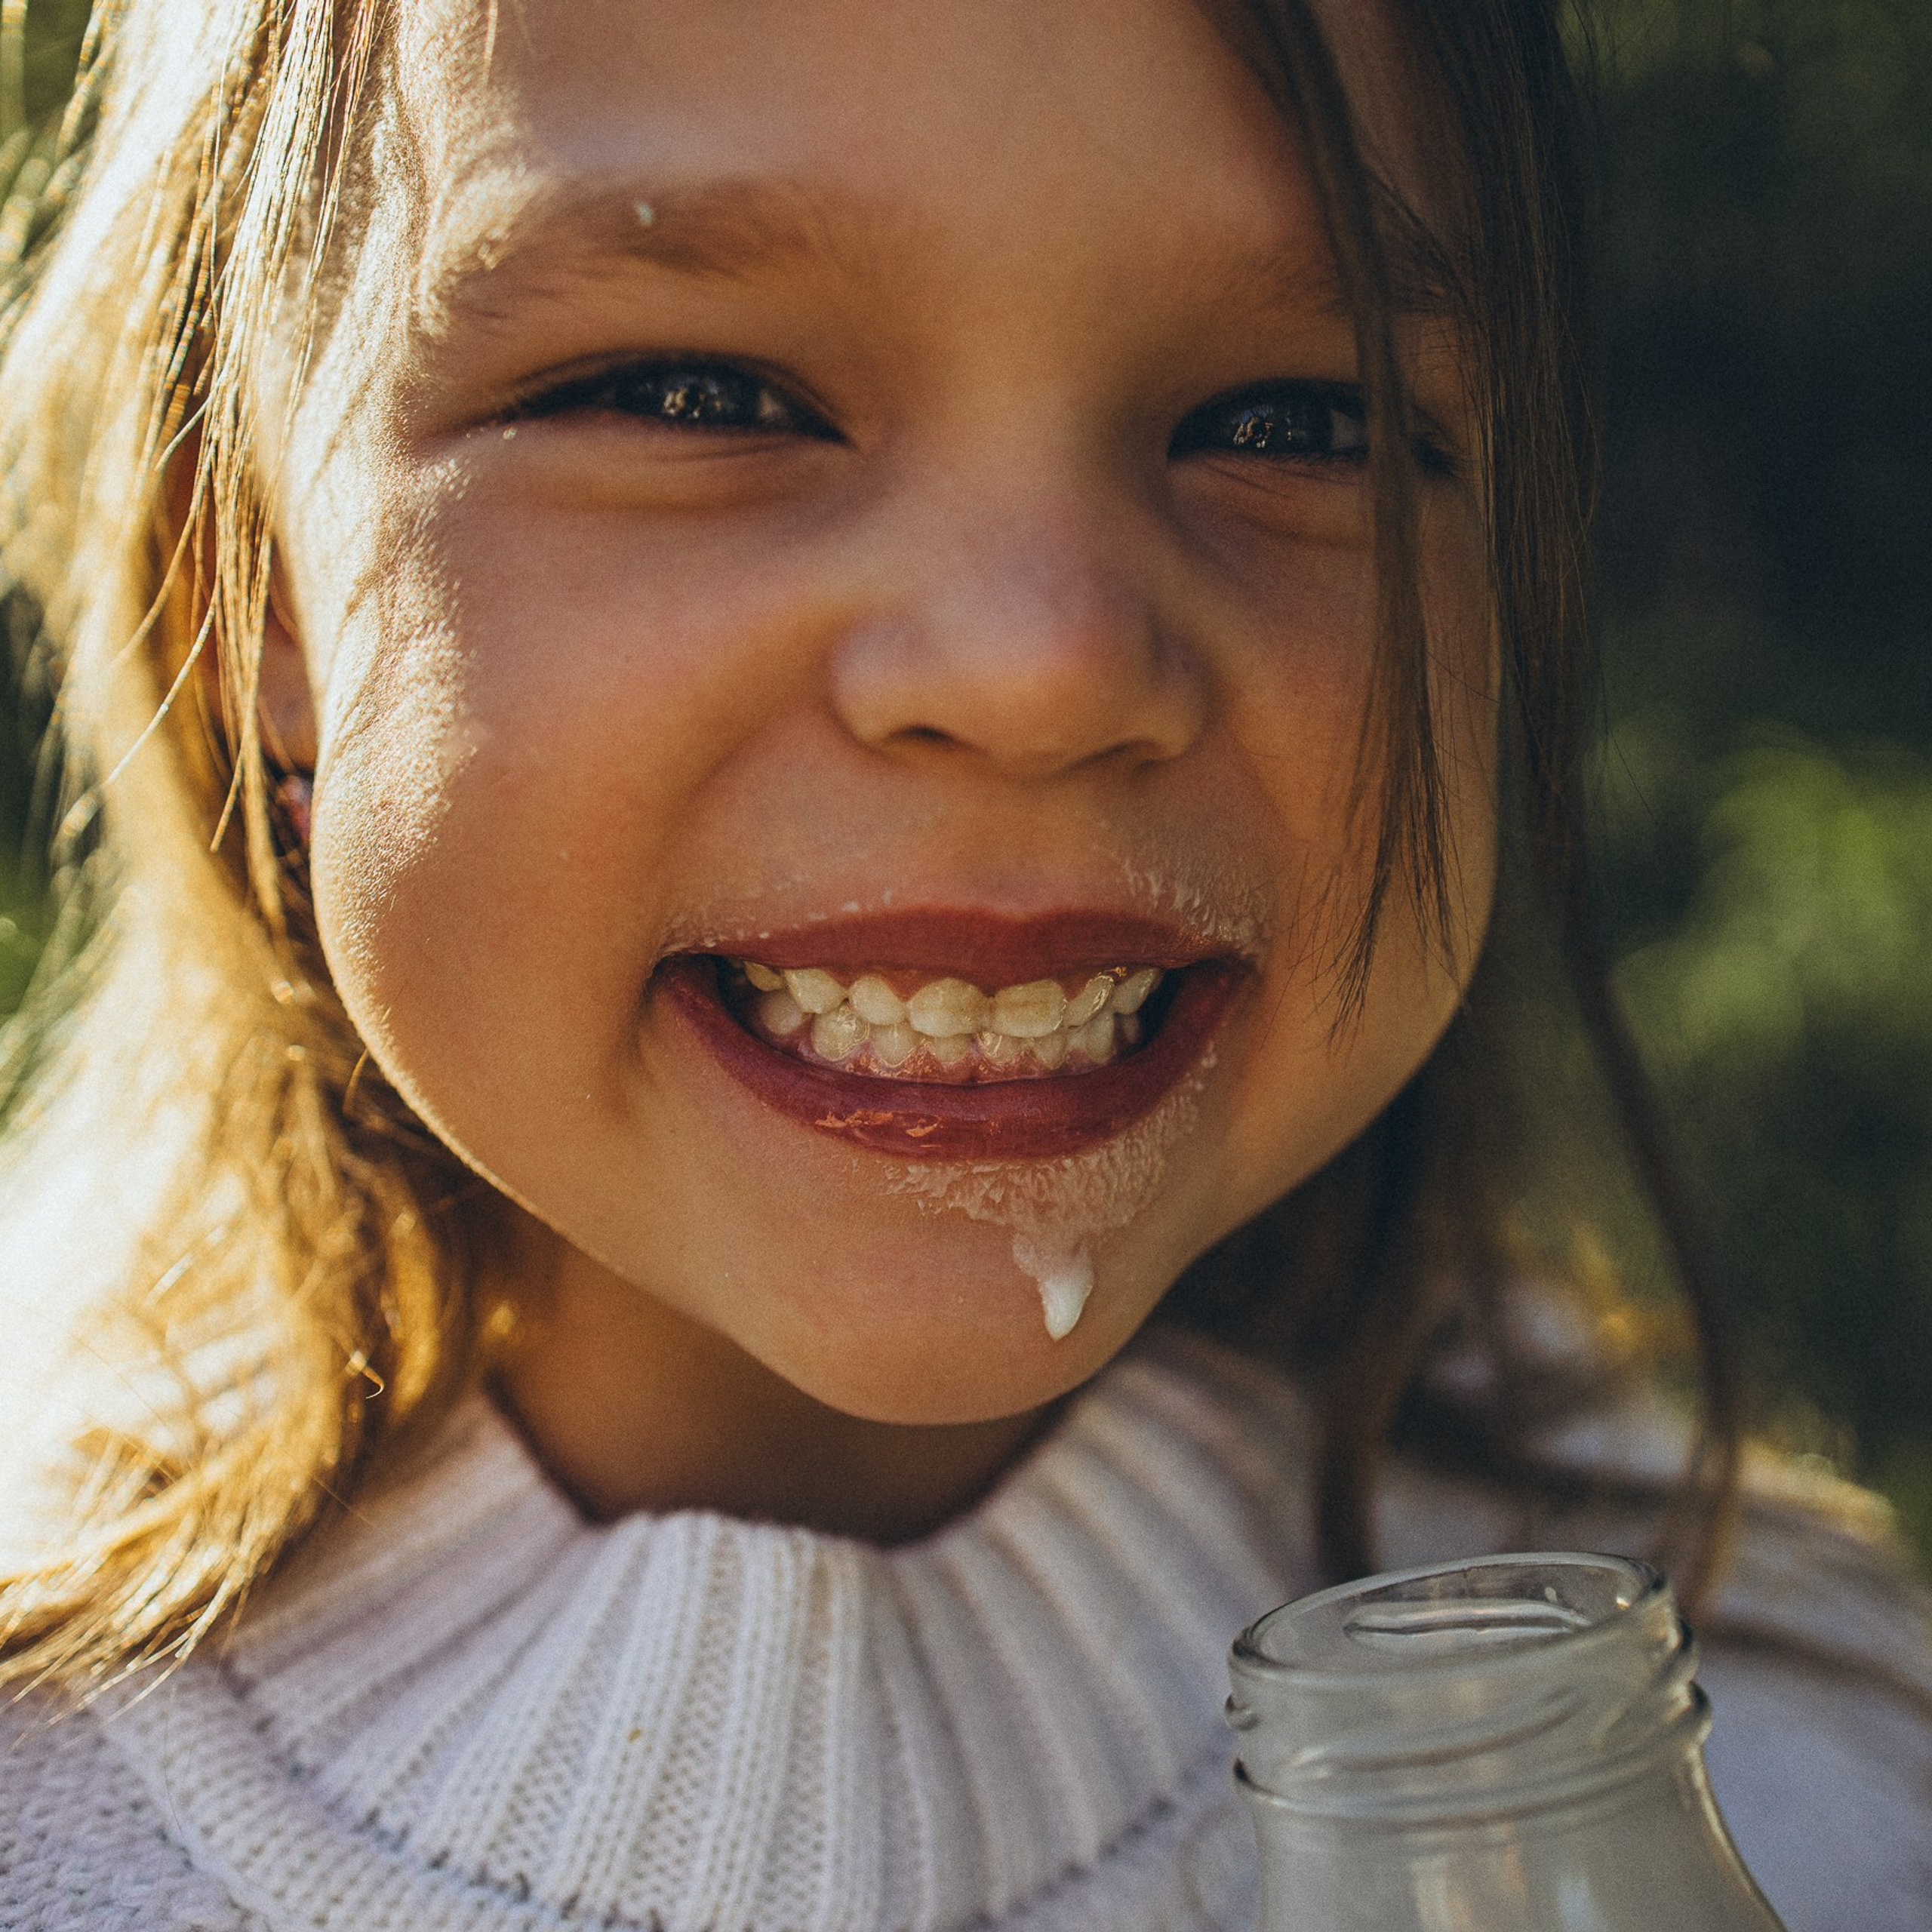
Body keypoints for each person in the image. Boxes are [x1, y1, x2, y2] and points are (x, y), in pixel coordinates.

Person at [0, 1, 1926, 1927]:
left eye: (1292, 421)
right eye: (692, 391)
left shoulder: (1803, 1769)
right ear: (245, 581)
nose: (1043, 663)